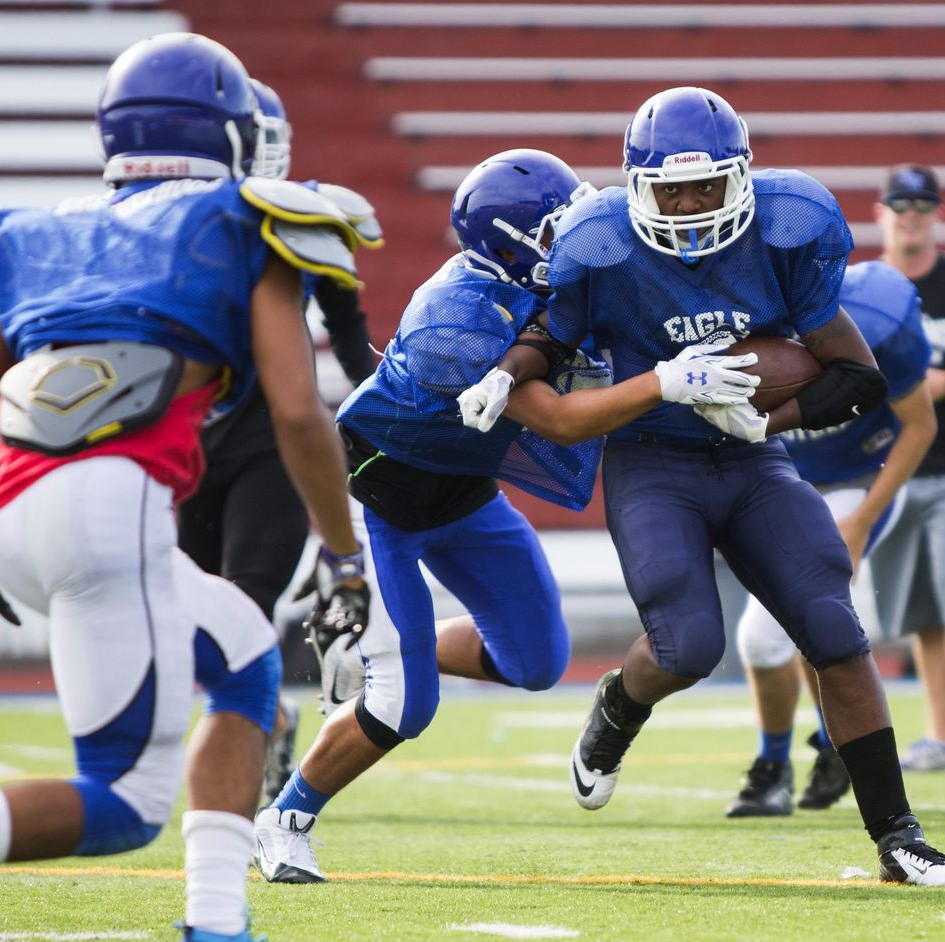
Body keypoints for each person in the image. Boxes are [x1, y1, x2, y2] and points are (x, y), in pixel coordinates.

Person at [0, 32, 372, 942]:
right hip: (108, 505)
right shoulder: (249, 220)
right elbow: (298, 412)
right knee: (123, 803)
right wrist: (343, 553)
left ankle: (217, 938)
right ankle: (209, 937)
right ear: (231, 132)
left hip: (3, 514)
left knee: (247, 659)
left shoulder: (36, 233)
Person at [460, 88, 945, 886]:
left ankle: (897, 834)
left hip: (750, 460)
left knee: (834, 628)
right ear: (637, 187)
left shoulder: (789, 228)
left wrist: (771, 420)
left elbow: (853, 372)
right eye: (671, 188)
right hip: (654, 457)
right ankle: (618, 706)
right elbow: (551, 333)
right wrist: (506, 371)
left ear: (741, 178)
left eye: (706, 186)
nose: (688, 203)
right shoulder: (600, 245)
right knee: (690, 644)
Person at [251, 147, 760, 884]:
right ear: (511, 247)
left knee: (535, 660)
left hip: (465, 494)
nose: (579, 235)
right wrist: (665, 382)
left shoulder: (555, 281)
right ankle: (285, 818)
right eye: (558, 228)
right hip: (379, 497)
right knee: (404, 705)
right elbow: (554, 420)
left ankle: (376, 648)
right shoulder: (453, 321)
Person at [176, 77, 379, 805]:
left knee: (244, 606)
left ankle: (243, 766)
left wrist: (399, 419)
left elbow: (353, 348)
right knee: (186, 617)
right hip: (186, 439)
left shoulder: (305, 216)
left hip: (270, 440)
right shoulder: (167, 219)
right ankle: (274, 715)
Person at [727, 259, 935, 817]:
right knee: (774, 635)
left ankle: (785, 764)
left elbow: (920, 424)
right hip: (783, 480)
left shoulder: (880, 323)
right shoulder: (762, 320)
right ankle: (810, 749)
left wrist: (864, 518)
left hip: (858, 481)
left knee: (773, 633)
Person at [868, 164, 945, 771]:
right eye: (901, 202)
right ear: (881, 212)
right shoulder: (868, 289)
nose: (912, 212)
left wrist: (911, 383)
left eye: (923, 202)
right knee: (924, 617)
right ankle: (939, 735)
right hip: (890, 469)